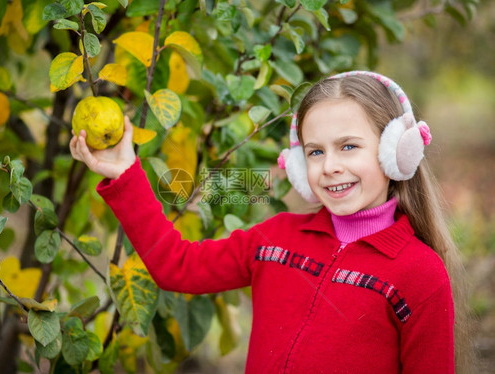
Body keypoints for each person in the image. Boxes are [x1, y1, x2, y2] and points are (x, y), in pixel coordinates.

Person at [70, 71, 472, 373]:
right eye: (314, 152)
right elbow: (176, 264)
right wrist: (125, 174)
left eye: (348, 146)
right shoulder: (276, 239)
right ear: (298, 165)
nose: (330, 166)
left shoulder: (419, 274)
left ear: (394, 153)